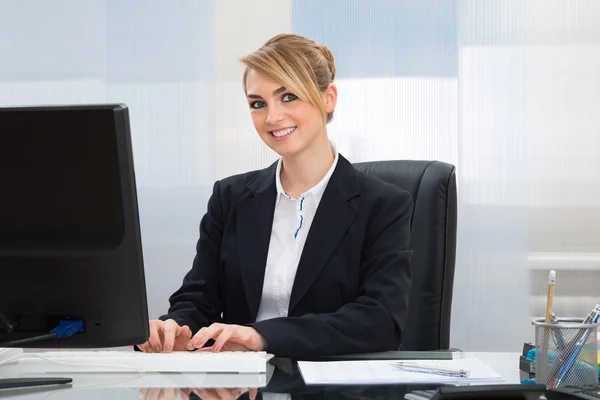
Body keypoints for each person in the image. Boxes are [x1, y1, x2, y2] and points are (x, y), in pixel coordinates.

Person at [137, 33, 413, 358]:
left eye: (289, 96)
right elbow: (199, 299)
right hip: (240, 390)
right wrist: (175, 328)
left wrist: (261, 336)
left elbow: (378, 321)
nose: (272, 117)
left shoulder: (383, 205)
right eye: (258, 104)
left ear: (328, 98)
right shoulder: (230, 198)